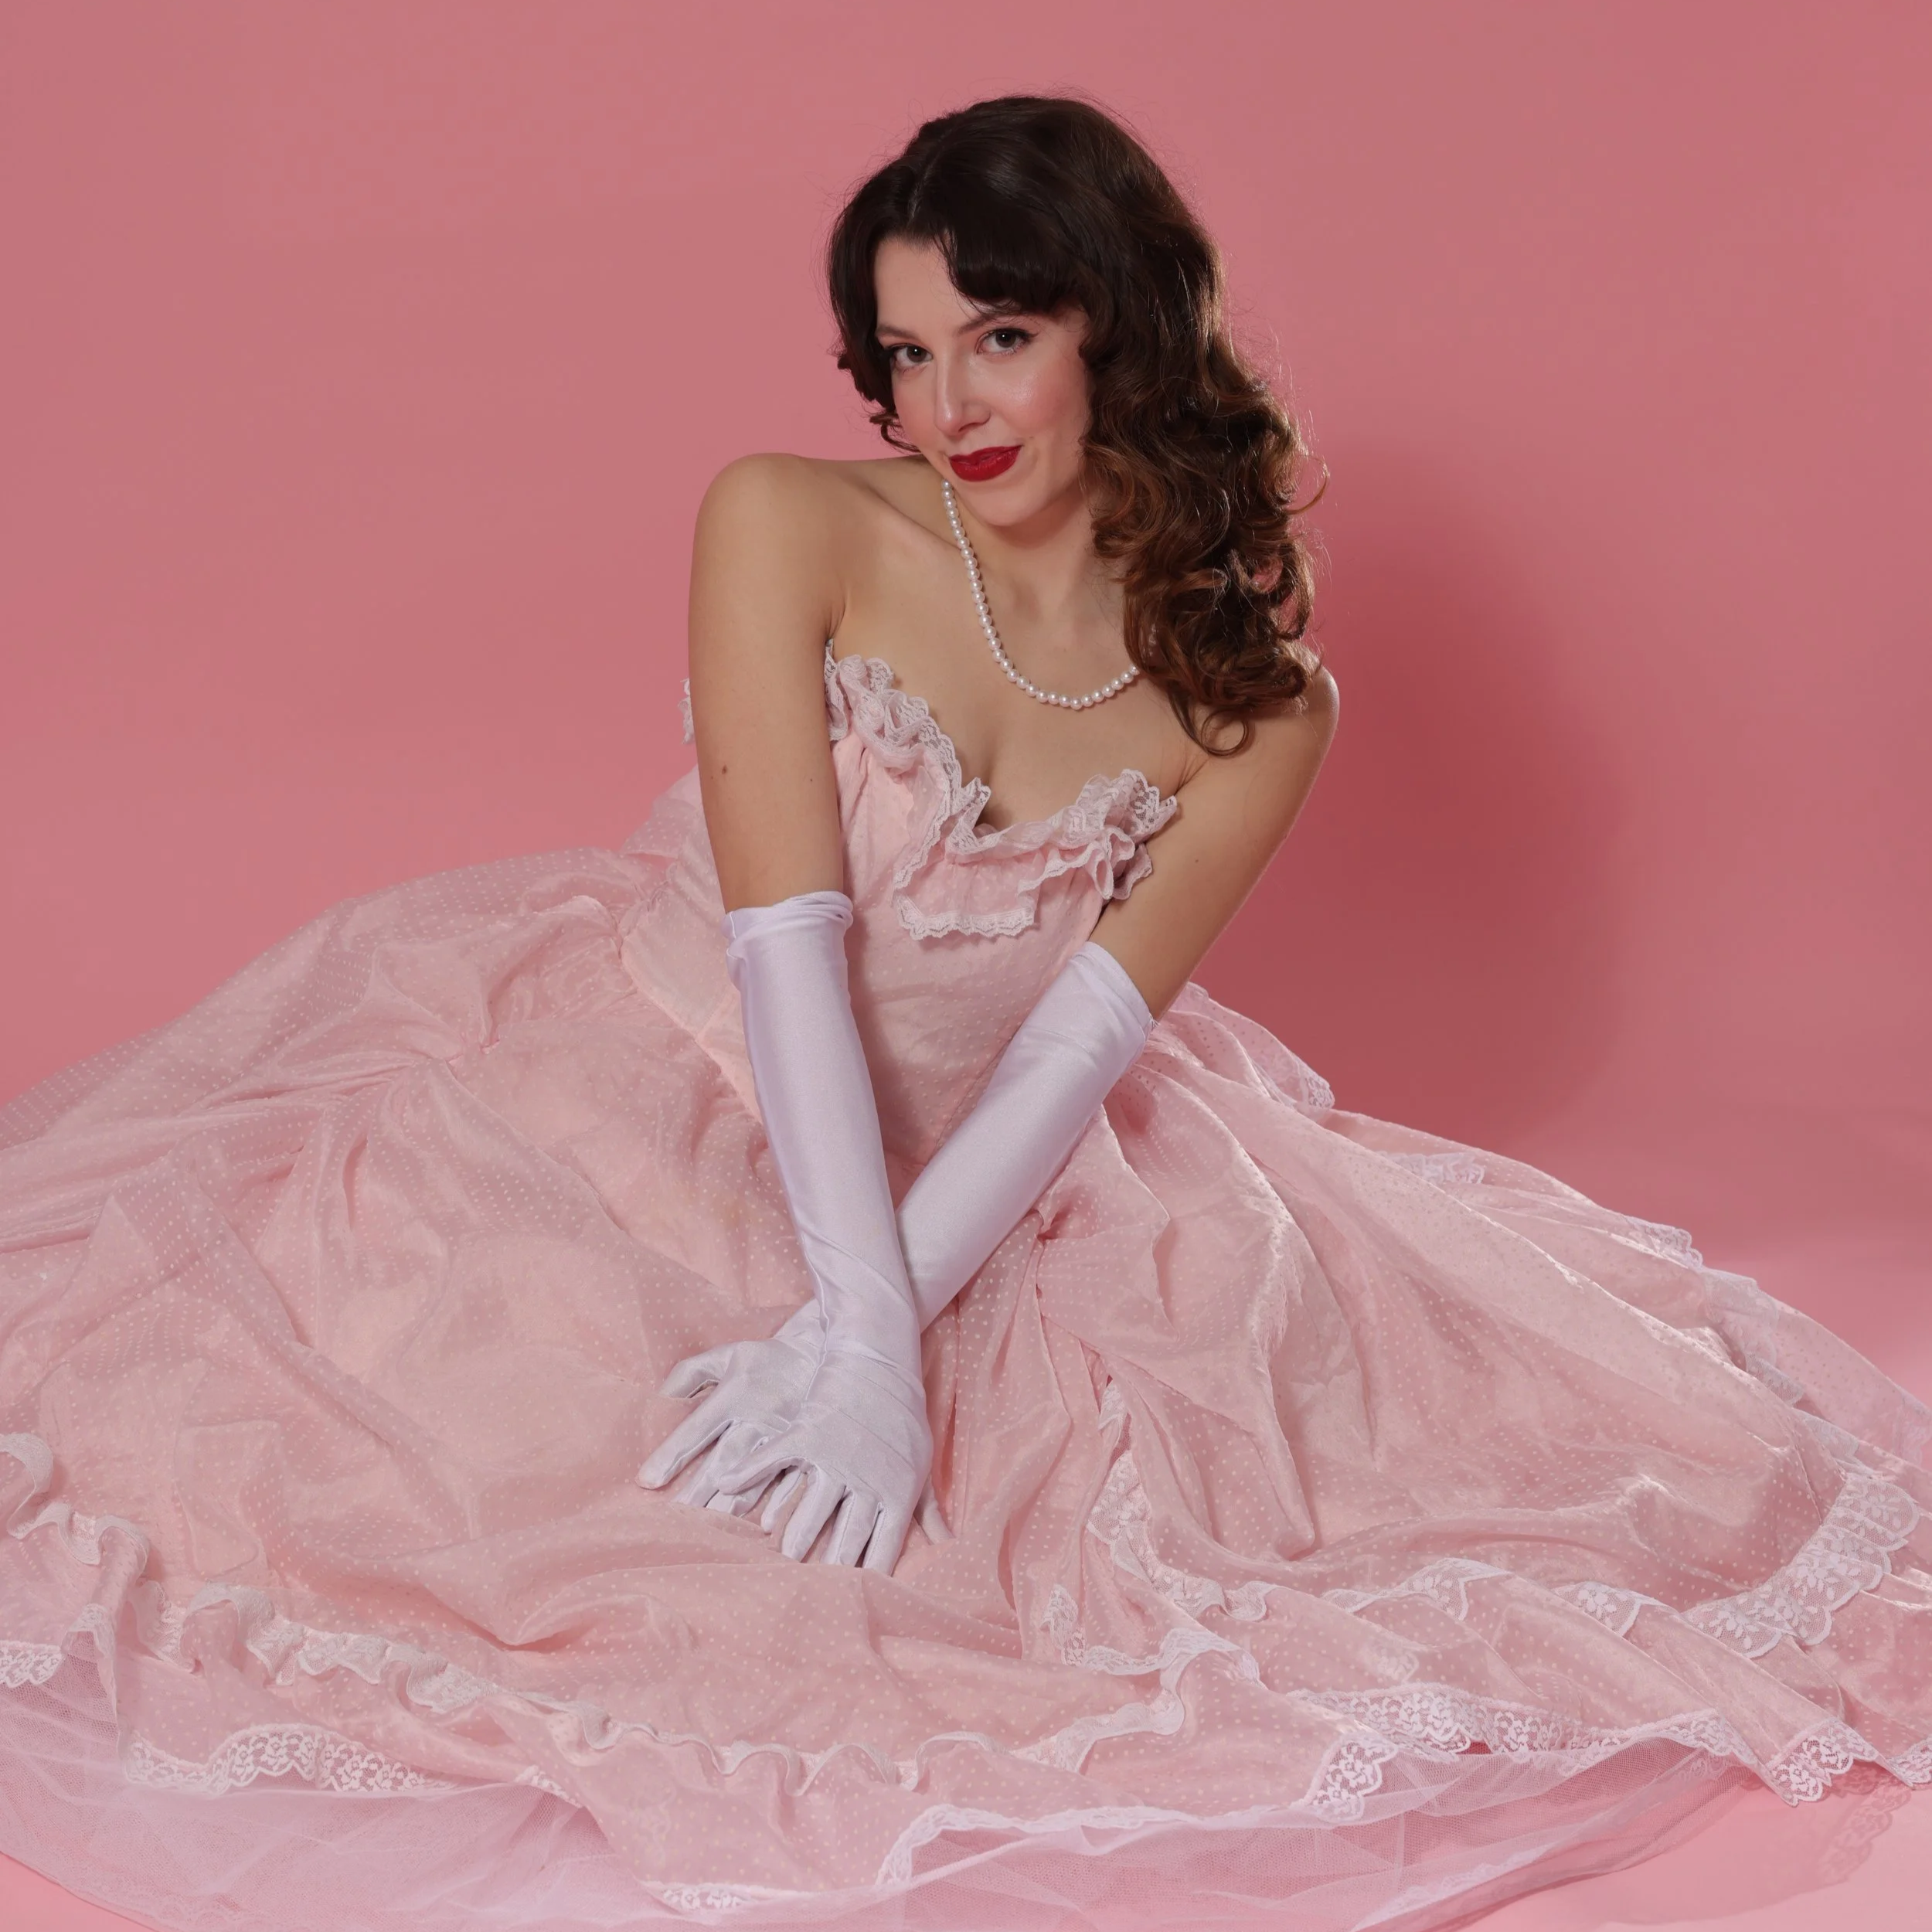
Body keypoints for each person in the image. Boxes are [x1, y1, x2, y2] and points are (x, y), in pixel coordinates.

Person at [0, 94, 1925, 1932]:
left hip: (1002, 1171)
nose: (944, 406)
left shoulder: (1259, 705)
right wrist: (846, 1323)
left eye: (997, 335)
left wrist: (880, 1324)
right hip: (650, 1070)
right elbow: (782, 935)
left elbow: (1081, 1040)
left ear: (1124, 328)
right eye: (905, 354)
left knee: (1385, 1511)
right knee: (445, 1489)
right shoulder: (788, 518)